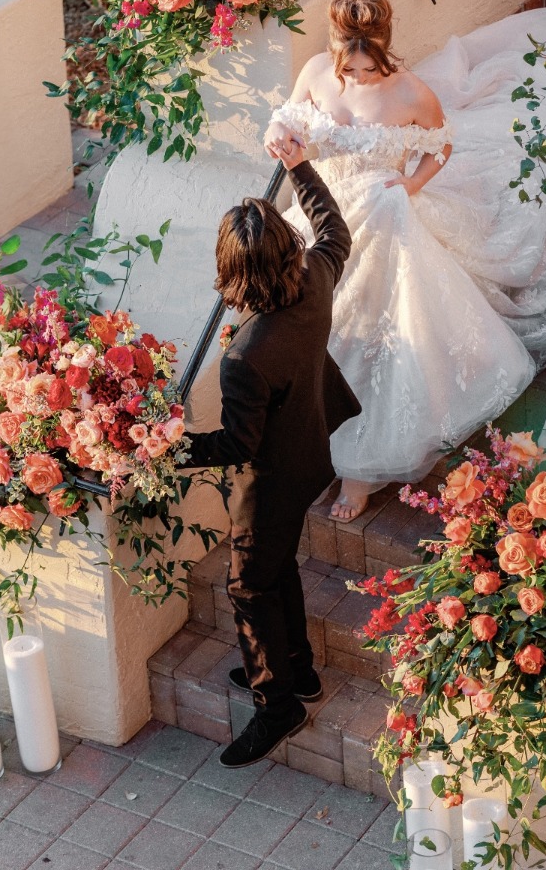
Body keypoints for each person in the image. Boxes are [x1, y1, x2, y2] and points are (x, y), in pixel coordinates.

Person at [265, 0, 546, 523]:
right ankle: (317, 446)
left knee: (380, 331)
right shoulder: (314, 72)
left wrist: (412, 185)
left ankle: (359, 469)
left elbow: (441, 147)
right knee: (317, 329)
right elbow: (286, 118)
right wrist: (278, 137)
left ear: (382, 48)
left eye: (364, 67)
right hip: (322, 209)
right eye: (347, 67)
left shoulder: (411, 93)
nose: (354, 77)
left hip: (384, 217)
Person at [182, 147, 360, 768]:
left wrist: (165, 448)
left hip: (271, 482)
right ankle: (298, 671)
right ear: (288, 245)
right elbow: (334, 225)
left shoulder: (244, 357)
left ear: (232, 270)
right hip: (312, 454)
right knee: (277, 567)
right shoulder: (316, 275)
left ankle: (276, 705)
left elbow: (236, 446)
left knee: (249, 585)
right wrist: (299, 167)